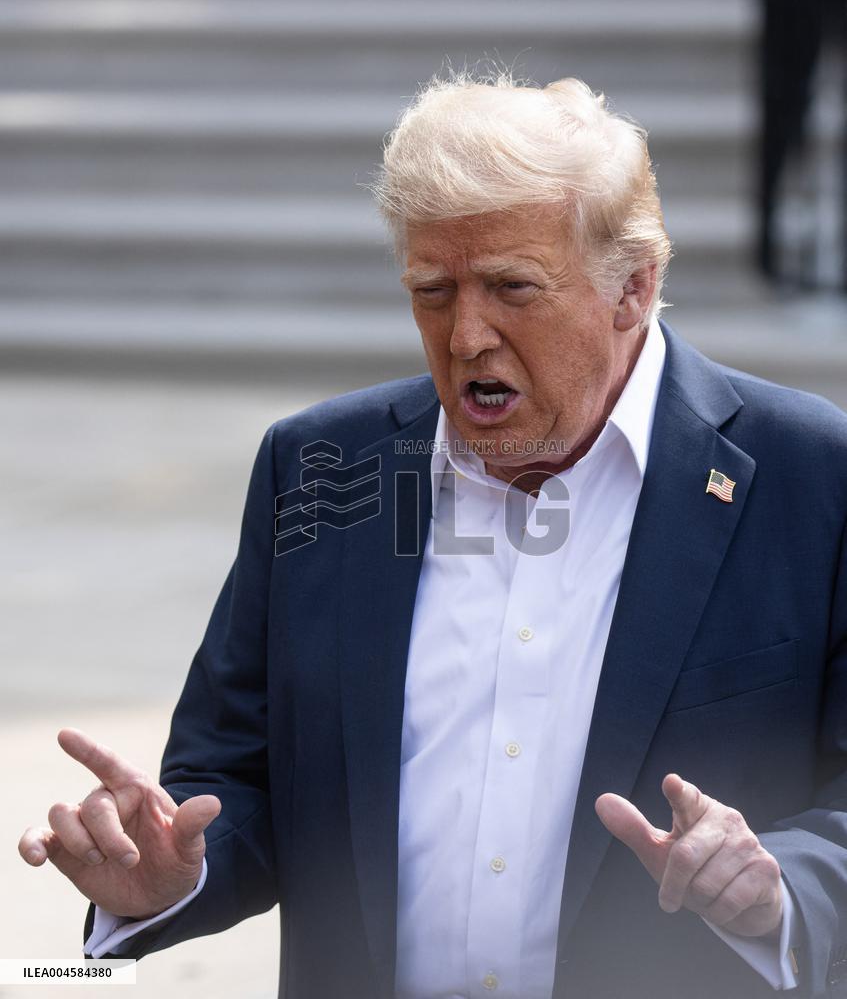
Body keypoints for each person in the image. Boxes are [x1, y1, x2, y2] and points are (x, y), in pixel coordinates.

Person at [18, 74, 847, 999]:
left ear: (633, 290)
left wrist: (783, 888)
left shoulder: (809, 475)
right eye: (432, 290)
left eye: (510, 288)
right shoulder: (327, 468)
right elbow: (236, 775)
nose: (464, 337)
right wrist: (175, 874)